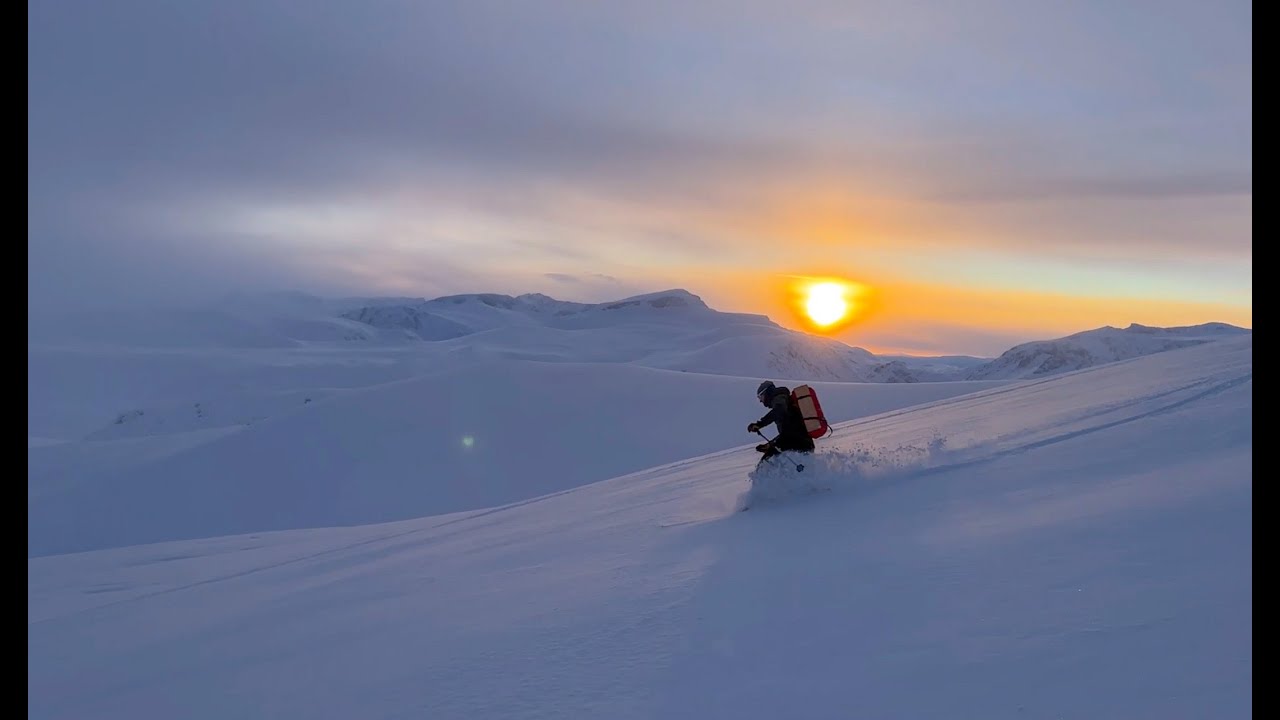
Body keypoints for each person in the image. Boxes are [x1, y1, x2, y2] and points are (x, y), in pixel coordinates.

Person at [748, 380, 815, 463]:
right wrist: (770, 445)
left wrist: (760, 424)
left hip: (798, 442)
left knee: (766, 462)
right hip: (801, 442)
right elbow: (788, 431)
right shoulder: (784, 400)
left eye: (760, 397)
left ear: (766, 393)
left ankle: (765, 475)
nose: (760, 401)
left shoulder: (779, 398)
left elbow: (779, 411)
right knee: (770, 461)